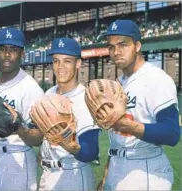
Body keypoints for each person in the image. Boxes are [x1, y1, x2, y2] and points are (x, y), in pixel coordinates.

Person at [101, 19, 180, 190]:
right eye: (111, 47)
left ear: (137, 46)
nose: (116, 52)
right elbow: (119, 139)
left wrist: (128, 126)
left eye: (123, 44)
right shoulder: (119, 83)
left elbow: (172, 133)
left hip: (145, 168)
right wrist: (107, 172)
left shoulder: (156, 79)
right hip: (117, 165)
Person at [0, 27, 45, 191]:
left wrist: (20, 128)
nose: (7, 54)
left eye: (13, 50)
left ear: (22, 54)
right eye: (3, 49)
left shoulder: (31, 88)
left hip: (17, 159)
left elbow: (38, 139)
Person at [37, 38, 100, 191]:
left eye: (67, 61)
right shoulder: (48, 93)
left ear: (78, 63)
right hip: (47, 173)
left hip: (73, 174)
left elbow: (91, 151)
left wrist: (70, 146)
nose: (60, 67)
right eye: (56, 61)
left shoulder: (86, 98)